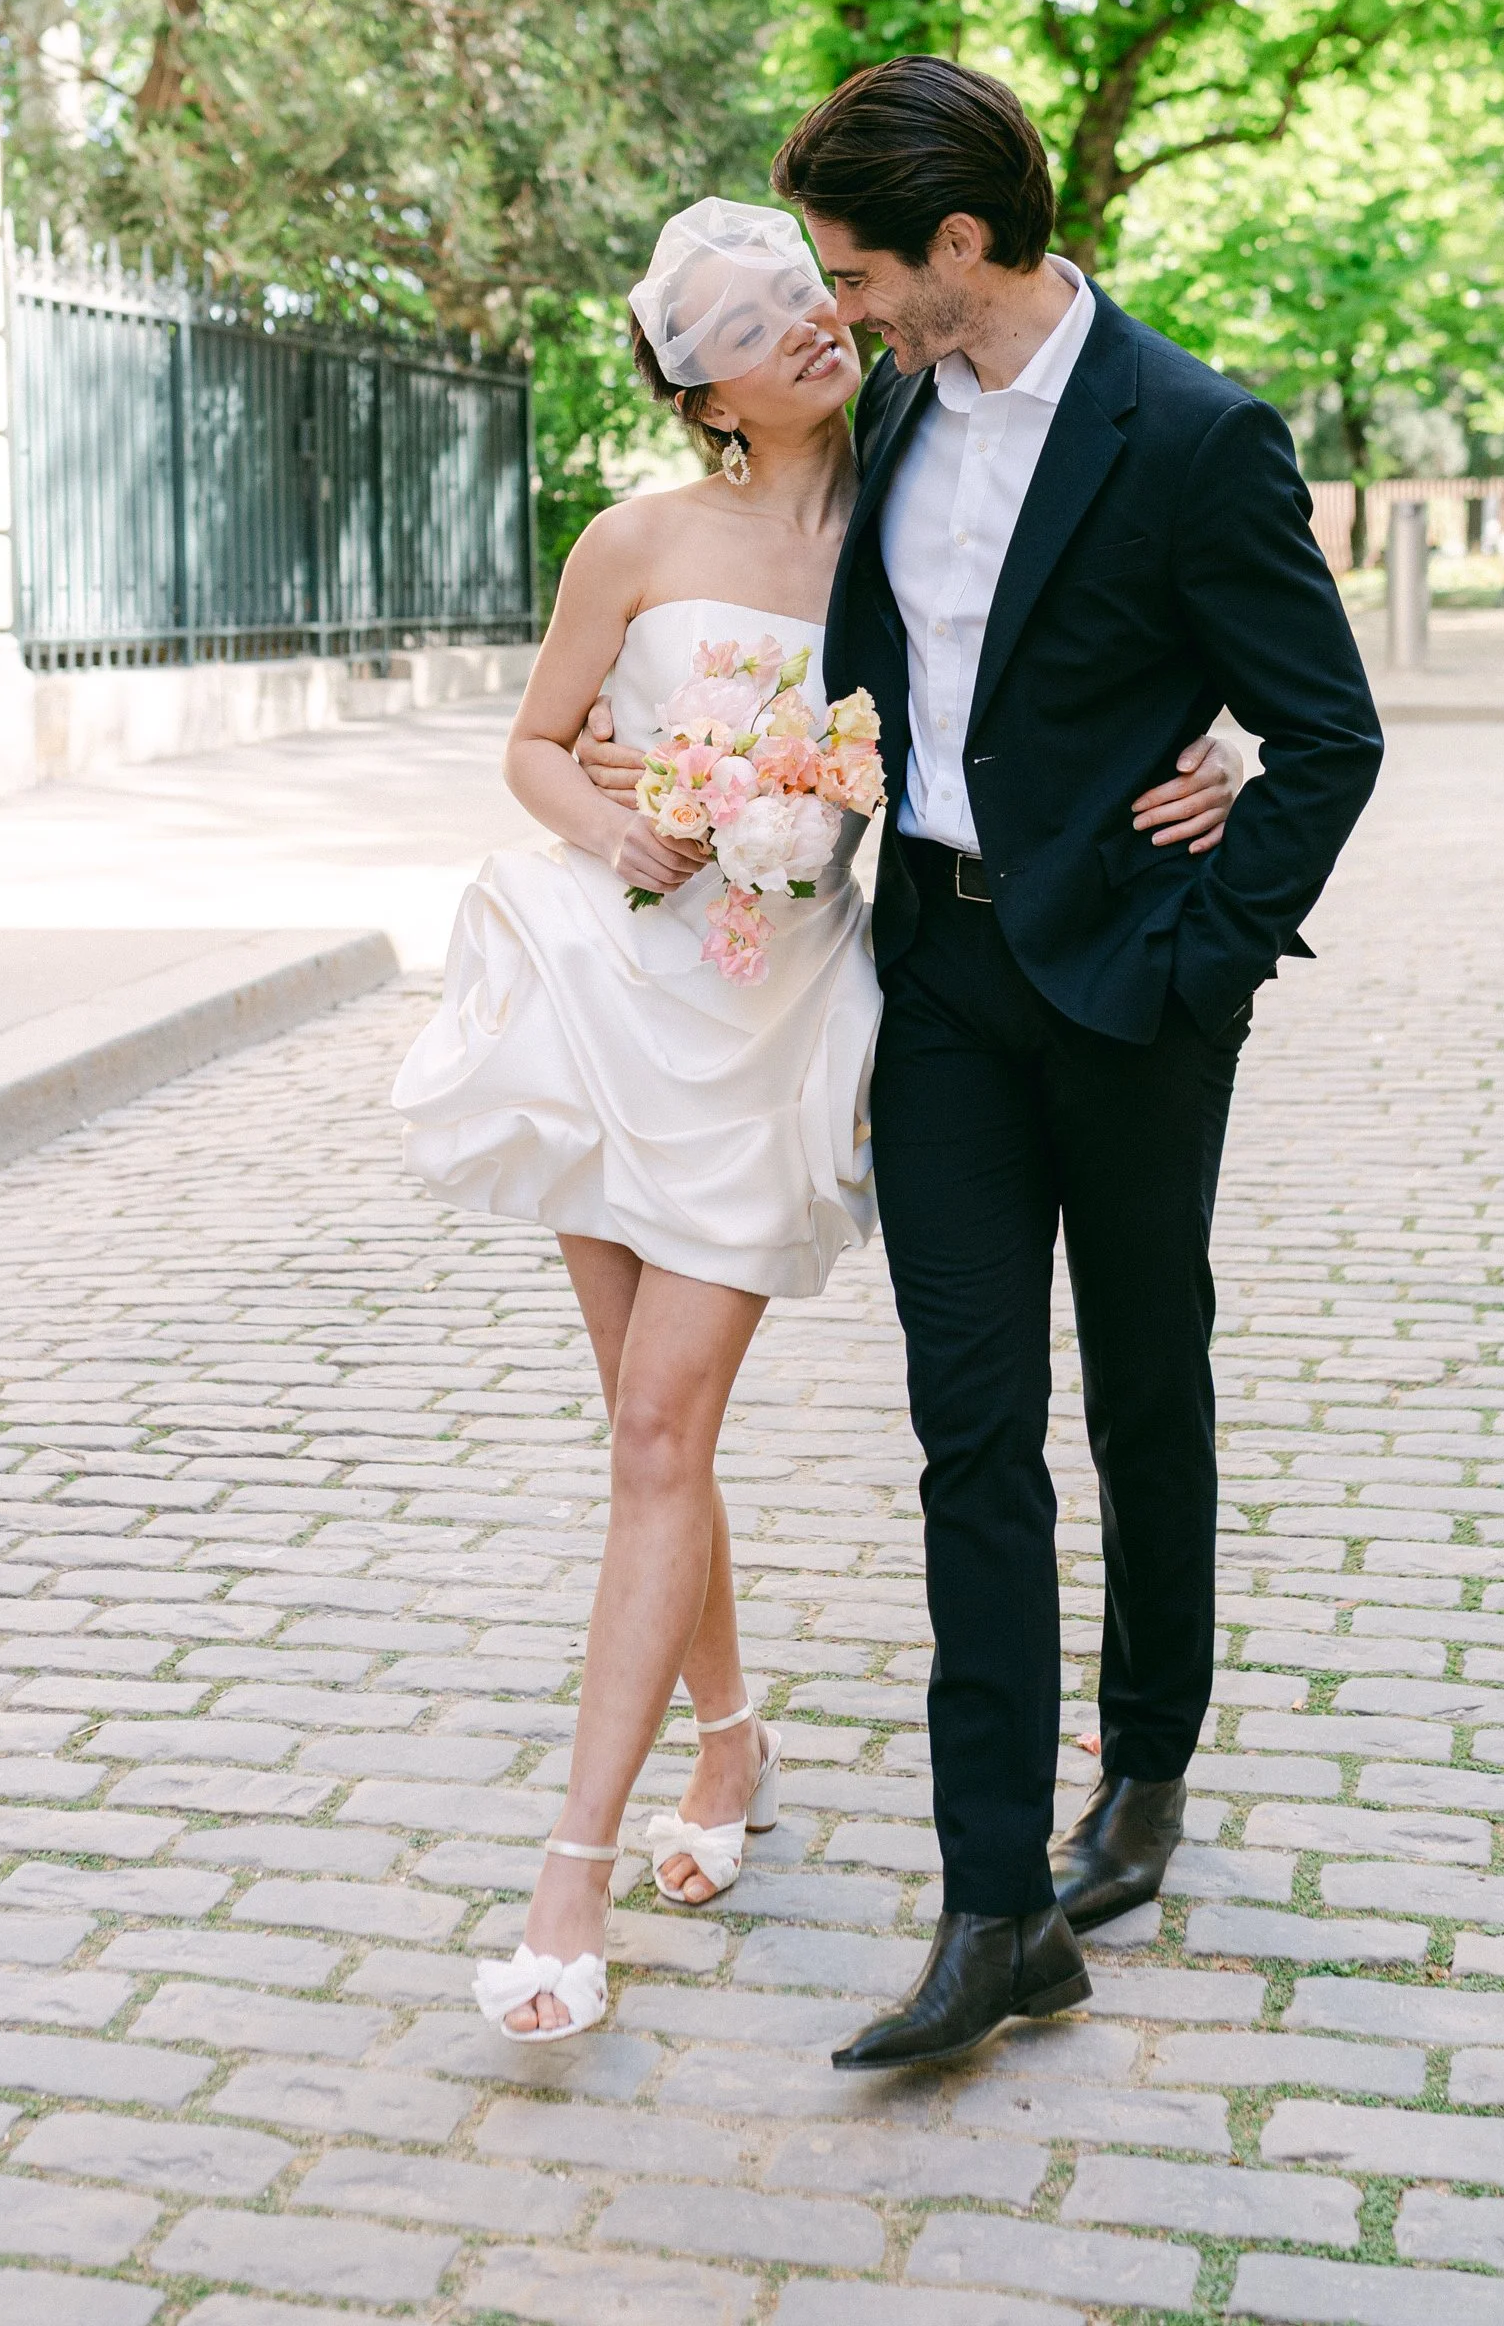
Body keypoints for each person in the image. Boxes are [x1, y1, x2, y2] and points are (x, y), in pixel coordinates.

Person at [584, 60, 1381, 2070]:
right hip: (931, 983)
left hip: (1129, 999)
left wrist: (1204, 940)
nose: (831, 310)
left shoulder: (1193, 434)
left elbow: (1330, 733)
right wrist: (667, 771)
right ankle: (994, 1909)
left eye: (855, 272)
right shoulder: (901, 420)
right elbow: (814, 641)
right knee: (968, 1433)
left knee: (1140, 1379)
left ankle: (1150, 1756)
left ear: (962, 248)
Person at [393, 194, 1241, 2044]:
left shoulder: (924, 472)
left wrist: (1223, 744)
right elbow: (538, 742)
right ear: (701, 385)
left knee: (656, 1427)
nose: (803, 322)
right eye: (753, 316)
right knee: (650, 1432)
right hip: (612, 993)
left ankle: (570, 1884)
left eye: (808, 290)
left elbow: (1102, 607)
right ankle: (728, 1750)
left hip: (782, 1021)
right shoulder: (632, 536)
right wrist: (614, 814)